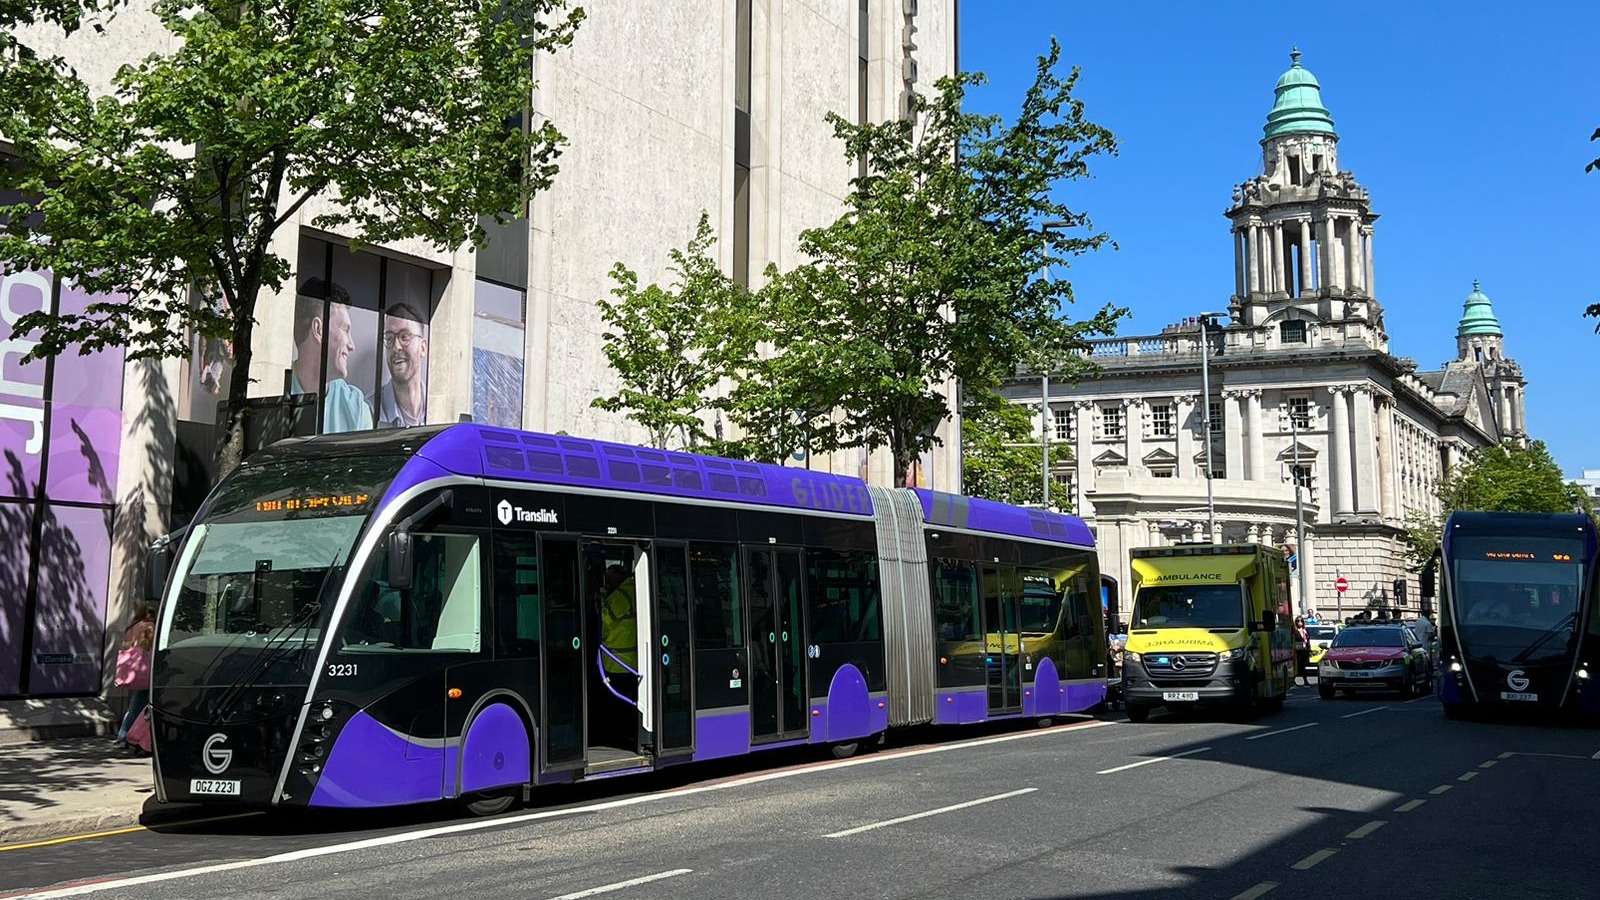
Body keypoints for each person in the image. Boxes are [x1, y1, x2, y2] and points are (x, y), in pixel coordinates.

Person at [292, 278, 374, 434]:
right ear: (318, 330)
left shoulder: (355, 406)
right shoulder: (274, 388)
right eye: (345, 329)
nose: (352, 345)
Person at [371, 302, 428, 428]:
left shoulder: (440, 406)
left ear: (423, 348)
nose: (396, 347)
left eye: (405, 337)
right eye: (389, 338)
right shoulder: (369, 410)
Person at [113, 604, 156, 753]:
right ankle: (126, 736)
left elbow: (128, 644)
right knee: (140, 705)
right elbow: (148, 645)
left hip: (132, 670)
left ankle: (124, 736)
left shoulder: (132, 626)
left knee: (135, 703)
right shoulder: (149, 626)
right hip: (144, 670)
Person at [599, 565, 637, 677]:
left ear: (618, 574)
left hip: (617, 661)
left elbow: (605, 622)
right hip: (630, 660)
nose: (609, 582)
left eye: (610, 578)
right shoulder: (633, 589)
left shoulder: (621, 595)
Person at [1293, 615, 1311, 685]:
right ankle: (1296, 680)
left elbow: (1308, 640)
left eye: (1301, 621)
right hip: (1297, 651)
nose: (1299, 623)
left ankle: (1305, 681)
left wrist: (1309, 649)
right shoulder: (1294, 630)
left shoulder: (1305, 630)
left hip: (1304, 650)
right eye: (1298, 621)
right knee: (1298, 666)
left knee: (1304, 666)